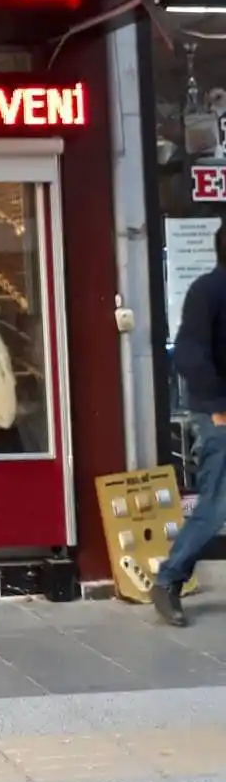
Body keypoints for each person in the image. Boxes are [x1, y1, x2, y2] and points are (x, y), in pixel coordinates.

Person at [154, 221, 226, 626]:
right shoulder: (209, 290)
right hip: (219, 415)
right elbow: (188, 353)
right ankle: (169, 579)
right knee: (216, 505)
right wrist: (216, 406)